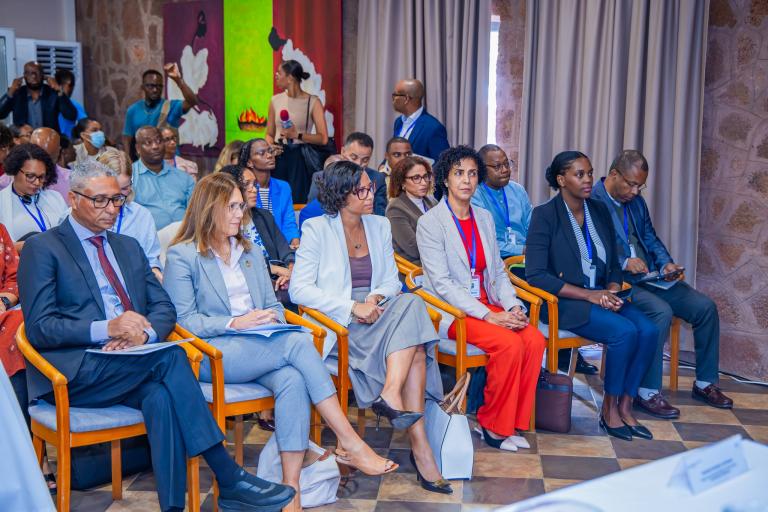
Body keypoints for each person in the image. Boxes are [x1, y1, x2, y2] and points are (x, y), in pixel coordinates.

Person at [18, 160, 297, 512]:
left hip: (134, 362)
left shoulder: (127, 246)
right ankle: (228, 477)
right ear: (73, 199)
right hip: (76, 370)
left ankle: (173, 508)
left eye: (117, 200)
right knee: (173, 358)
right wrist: (107, 328)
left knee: (160, 397)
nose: (111, 209)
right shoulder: (44, 248)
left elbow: (164, 308)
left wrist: (144, 335)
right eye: (99, 200)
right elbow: (41, 327)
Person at [164, 173, 397, 510]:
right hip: (213, 353)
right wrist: (236, 322)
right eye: (231, 206)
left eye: (241, 206)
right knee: (300, 344)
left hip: (261, 347)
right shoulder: (184, 256)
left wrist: (272, 318)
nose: (238, 214)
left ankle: (291, 493)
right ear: (208, 208)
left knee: (292, 379)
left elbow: (274, 305)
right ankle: (350, 441)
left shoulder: (250, 253)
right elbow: (184, 322)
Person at [290, 160, 451, 495]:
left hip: (379, 312)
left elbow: (392, 280)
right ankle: (421, 449)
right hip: (340, 321)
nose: (370, 194)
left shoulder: (378, 224)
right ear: (340, 194)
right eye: (360, 189)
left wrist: (376, 297)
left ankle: (391, 395)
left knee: (411, 303)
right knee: (417, 350)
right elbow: (299, 290)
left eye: (370, 187)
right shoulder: (318, 228)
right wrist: (353, 306)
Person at [417, 146, 546, 451]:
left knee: (535, 340)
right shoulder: (431, 223)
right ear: (445, 180)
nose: (466, 180)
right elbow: (443, 285)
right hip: (452, 313)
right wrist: (489, 315)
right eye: (458, 173)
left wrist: (513, 305)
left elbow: (498, 274)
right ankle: (492, 425)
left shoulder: (484, 218)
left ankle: (513, 422)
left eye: (472, 173)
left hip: (489, 304)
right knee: (509, 343)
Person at [526, 151, 658, 441]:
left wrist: (611, 288)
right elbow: (536, 275)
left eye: (589, 173)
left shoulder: (598, 210)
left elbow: (613, 263)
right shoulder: (545, 215)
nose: (587, 180)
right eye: (579, 174)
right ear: (561, 180)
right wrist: (589, 295)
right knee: (624, 332)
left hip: (601, 295)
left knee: (649, 329)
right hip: (565, 302)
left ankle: (626, 404)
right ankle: (609, 408)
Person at [592, 149, 732, 415]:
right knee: (661, 311)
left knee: (704, 307)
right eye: (630, 184)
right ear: (613, 174)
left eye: (639, 185)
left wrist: (665, 263)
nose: (635, 191)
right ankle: (646, 391)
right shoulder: (593, 201)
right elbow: (593, 248)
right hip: (617, 282)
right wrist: (623, 262)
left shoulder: (637, 202)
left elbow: (650, 237)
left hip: (649, 277)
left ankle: (704, 383)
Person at [472, 144, 597, 376]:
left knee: (566, 278)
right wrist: (526, 248)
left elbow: (533, 225)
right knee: (540, 288)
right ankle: (543, 354)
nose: (504, 170)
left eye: (506, 164)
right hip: (503, 262)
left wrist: (539, 246)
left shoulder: (517, 190)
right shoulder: (476, 195)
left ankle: (567, 352)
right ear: (481, 170)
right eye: (496, 166)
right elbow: (488, 241)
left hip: (530, 255)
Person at [220, 164, 296, 309]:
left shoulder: (263, 216)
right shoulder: (226, 224)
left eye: (254, 184)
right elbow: (236, 265)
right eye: (246, 184)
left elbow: (285, 251)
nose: (254, 189)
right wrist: (274, 269)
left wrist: (290, 270)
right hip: (248, 288)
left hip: (279, 284)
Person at [266, 60, 330, 203]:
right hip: (278, 156)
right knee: (276, 198)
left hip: (300, 157)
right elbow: (269, 133)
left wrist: (297, 135)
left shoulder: (312, 101)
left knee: (297, 198)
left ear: (290, 78)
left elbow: (323, 138)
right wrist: (270, 146)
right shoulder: (275, 100)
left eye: (279, 73)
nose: (275, 76)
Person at [95, 148, 163, 280]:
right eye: (113, 189)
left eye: (125, 188)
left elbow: (151, 262)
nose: (119, 195)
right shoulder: (81, 214)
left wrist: (157, 276)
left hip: (132, 284)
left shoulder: (141, 216)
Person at [121, 64, 198, 158]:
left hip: (170, 162)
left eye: (159, 86)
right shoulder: (133, 110)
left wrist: (178, 80)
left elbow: (192, 101)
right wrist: (128, 163)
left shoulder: (171, 107)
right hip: (145, 164)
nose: (155, 90)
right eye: (151, 86)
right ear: (143, 87)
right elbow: (127, 139)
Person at [0, 144, 67, 249]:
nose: (37, 182)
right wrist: (32, 245)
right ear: (14, 170)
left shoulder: (55, 198)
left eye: (41, 177)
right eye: (30, 176)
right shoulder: (2, 202)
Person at [238, 138, 299, 248]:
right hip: (255, 248)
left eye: (270, 151)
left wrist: (295, 242)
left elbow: (289, 223)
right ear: (249, 162)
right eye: (262, 153)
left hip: (282, 249)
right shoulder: (244, 188)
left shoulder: (283, 187)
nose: (270, 156)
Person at [307, 133, 387, 215]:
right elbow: (312, 210)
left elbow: (380, 214)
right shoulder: (322, 177)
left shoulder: (377, 178)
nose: (359, 163)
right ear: (343, 152)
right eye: (354, 157)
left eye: (365, 160)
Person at [131, 126, 195, 230]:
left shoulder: (183, 177)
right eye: (148, 143)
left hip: (183, 238)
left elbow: (195, 211)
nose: (155, 146)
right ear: (138, 148)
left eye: (159, 141)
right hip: (148, 240)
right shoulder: (130, 178)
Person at [385, 156, 436, 265]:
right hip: (413, 272)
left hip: (434, 265)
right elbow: (414, 249)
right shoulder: (395, 208)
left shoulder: (432, 202)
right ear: (402, 183)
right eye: (416, 178)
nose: (423, 182)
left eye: (425, 176)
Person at [0, 62, 78, 132]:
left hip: (49, 141)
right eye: (29, 73)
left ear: (43, 75)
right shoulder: (17, 94)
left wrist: (59, 90)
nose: (34, 76)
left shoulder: (52, 93)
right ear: (24, 76)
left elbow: (71, 116)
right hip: (24, 142)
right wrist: (11, 91)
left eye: (37, 73)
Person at [391, 79, 449, 161]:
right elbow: (394, 151)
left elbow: (443, 163)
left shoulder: (433, 128)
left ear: (406, 99)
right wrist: (383, 166)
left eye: (395, 95)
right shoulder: (399, 122)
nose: (393, 99)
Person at [29, 128, 71, 204]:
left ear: (59, 151)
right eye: (38, 156)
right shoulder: (9, 181)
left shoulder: (72, 180)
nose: (43, 163)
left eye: (48, 157)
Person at [54, 69, 87, 139]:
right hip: (69, 144)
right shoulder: (75, 105)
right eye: (72, 86)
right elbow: (85, 126)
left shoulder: (48, 103)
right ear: (68, 83)